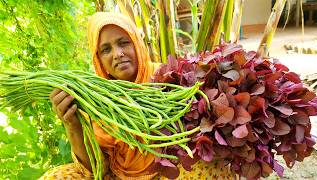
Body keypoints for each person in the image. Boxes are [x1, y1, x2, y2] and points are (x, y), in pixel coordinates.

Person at [40, 12, 235, 179]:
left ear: (137, 44)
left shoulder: (167, 77)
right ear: (98, 59)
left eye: (124, 43)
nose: (117, 54)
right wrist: (72, 125)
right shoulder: (94, 99)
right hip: (120, 175)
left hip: (169, 171)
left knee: (210, 167)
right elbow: (93, 171)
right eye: (106, 49)